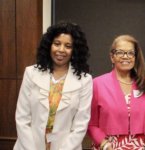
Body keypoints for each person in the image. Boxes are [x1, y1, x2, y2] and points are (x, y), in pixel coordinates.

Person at [13, 21, 93, 150]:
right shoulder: (31, 73)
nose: (61, 50)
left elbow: (80, 125)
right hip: (28, 145)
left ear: (75, 50)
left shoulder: (85, 80)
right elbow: (22, 118)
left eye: (68, 46)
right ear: (49, 45)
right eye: (57, 44)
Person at [88, 35, 145, 150]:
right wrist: (105, 145)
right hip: (106, 147)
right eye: (120, 52)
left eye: (130, 53)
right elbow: (91, 124)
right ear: (112, 57)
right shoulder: (97, 84)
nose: (126, 57)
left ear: (135, 57)